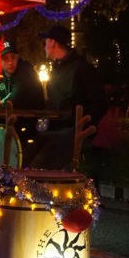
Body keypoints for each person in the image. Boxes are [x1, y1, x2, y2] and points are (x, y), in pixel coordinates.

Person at [26, 24, 107, 170]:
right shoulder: (58, 69)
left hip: (70, 133)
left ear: (53, 43)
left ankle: (39, 189)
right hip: (55, 130)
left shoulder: (81, 69)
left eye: (46, 43)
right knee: (23, 156)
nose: (44, 47)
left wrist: (83, 127)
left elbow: (100, 102)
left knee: (39, 166)